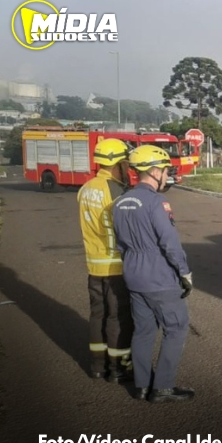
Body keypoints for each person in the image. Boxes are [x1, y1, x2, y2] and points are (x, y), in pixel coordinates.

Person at [112, 145, 195, 403]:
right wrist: (184, 272)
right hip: (159, 277)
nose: (166, 175)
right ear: (155, 171)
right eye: (165, 170)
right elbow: (169, 243)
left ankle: (142, 385)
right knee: (176, 327)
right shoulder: (158, 202)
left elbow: (120, 243)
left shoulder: (119, 201)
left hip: (133, 274)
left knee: (144, 331)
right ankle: (163, 387)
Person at [77, 138, 134, 383]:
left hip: (93, 265)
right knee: (118, 317)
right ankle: (118, 368)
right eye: (125, 163)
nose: (128, 168)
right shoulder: (116, 191)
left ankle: (97, 366)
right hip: (115, 266)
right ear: (116, 164)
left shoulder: (86, 188)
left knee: (97, 315)